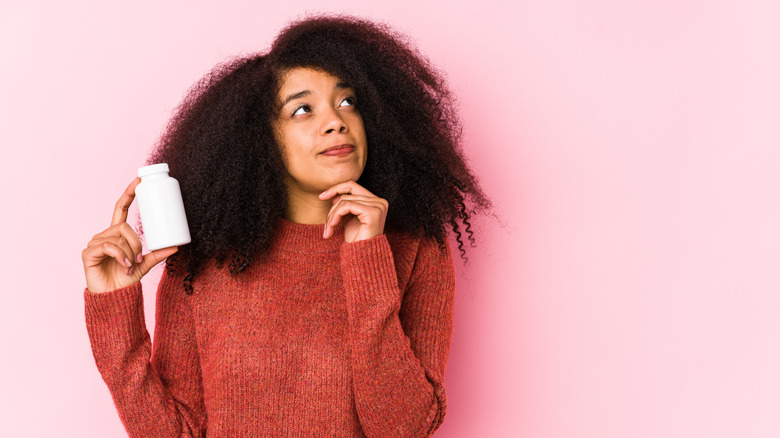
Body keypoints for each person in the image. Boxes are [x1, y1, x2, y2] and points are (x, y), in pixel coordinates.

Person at [81, 14, 491, 437]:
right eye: (302, 109)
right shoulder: (205, 259)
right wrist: (116, 311)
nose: (336, 121)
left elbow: (403, 427)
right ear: (262, 139)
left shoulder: (416, 247)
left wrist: (367, 256)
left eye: (349, 102)